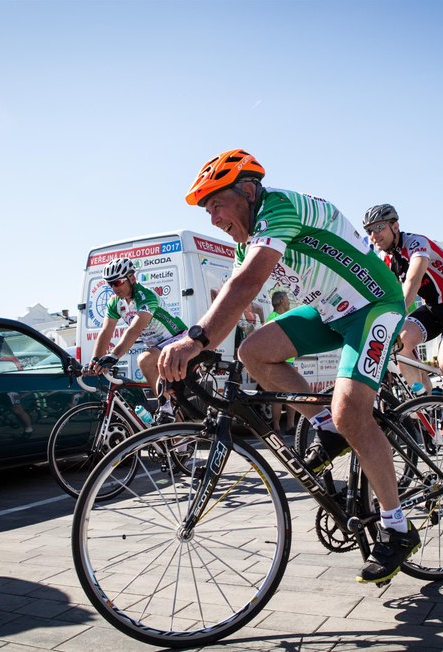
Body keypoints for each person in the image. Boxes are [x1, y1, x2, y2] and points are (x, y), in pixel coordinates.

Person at [159, 148, 419, 585]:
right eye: (206, 210)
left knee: (351, 410)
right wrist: (193, 345)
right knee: (254, 352)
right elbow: (232, 294)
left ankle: (397, 527)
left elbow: (248, 284)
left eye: (216, 204)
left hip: (375, 304)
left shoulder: (279, 207)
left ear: (246, 191)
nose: (213, 218)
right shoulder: (250, 238)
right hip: (332, 312)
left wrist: (197, 338)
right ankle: (328, 428)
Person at [363, 204, 443, 458]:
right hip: (432, 308)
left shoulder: (417, 244)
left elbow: (413, 282)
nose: (374, 236)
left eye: (379, 228)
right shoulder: (387, 259)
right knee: (401, 344)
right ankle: (427, 401)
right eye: (369, 231)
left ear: (395, 226)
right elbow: (382, 297)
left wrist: (394, 320)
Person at [89, 257, 188, 422]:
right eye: (110, 284)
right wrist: (95, 360)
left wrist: (113, 356)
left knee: (144, 360)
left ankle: (166, 408)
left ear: (131, 278)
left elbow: (134, 330)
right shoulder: (115, 303)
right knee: (162, 388)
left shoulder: (146, 296)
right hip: (157, 346)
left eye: (118, 282)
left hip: (176, 338)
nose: (114, 288)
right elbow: (106, 332)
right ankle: (178, 435)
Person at [265, 290, 298, 437]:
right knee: (280, 396)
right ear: (280, 302)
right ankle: (278, 427)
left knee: (288, 396)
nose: (288, 302)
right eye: (286, 299)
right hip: (280, 361)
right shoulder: (274, 318)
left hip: (287, 360)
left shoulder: (280, 317)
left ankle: (289, 426)